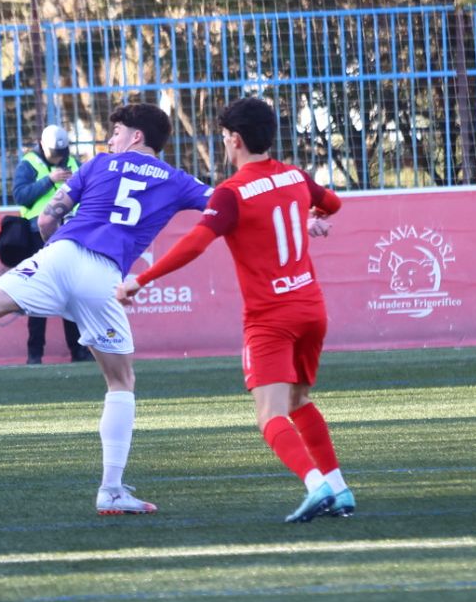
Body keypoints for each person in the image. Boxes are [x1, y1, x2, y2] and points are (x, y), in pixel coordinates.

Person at [0, 102, 210, 514]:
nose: (110, 139)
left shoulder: (98, 165)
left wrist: (55, 255)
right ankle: (111, 490)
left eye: (116, 132)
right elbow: (223, 203)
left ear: (137, 136)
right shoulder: (176, 179)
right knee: (121, 381)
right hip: (103, 274)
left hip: (58, 253)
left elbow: (47, 219)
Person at [117, 97, 353, 523]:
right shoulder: (295, 176)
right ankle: (339, 487)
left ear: (236, 140)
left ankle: (315, 483)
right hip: (311, 308)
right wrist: (313, 215)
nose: (225, 144)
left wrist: (140, 279)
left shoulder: (232, 193)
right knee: (298, 400)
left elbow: (195, 244)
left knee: (269, 414)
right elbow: (333, 203)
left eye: (225, 137)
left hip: (271, 317)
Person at [11, 124, 91, 364]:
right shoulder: (29, 163)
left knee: (73, 293)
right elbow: (21, 195)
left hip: (70, 235)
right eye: (54, 154)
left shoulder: (75, 163)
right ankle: (35, 354)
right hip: (37, 236)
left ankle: (79, 351)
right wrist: (49, 180)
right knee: (39, 293)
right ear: (42, 146)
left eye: (61, 154)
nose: (58, 159)